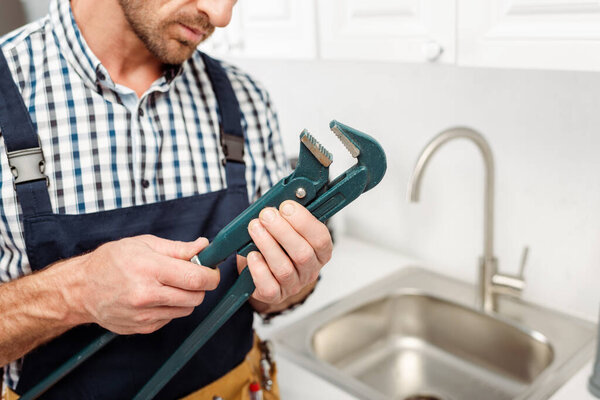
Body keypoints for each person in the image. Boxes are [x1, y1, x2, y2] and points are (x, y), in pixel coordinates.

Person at [0, 0, 333, 398]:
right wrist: (76, 291)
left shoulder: (244, 98)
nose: (222, 15)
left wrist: (287, 283)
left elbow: (270, 299)